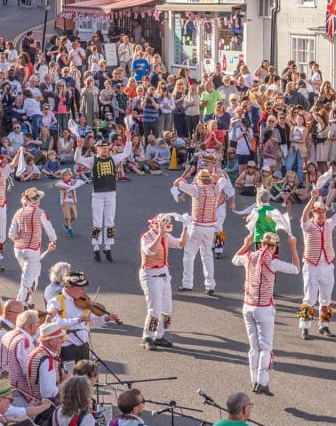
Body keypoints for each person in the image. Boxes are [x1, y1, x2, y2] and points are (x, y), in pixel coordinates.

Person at [230, 233, 300, 396]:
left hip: (247, 305)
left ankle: (254, 380)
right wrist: (293, 248)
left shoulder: (248, 256)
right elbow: (296, 269)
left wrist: (245, 244)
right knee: (265, 347)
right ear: (274, 247)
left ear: (261, 244)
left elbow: (234, 259)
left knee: (254, 347)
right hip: (264, 308)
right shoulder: (272, 261)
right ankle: (262, 382)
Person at [74, 137, 133, 262]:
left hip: (111, 193)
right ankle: (95, 247)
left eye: (107, 148)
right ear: (98, 149)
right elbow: (77, 159)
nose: (105, 150)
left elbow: (127, 153)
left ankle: (108, 246)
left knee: (110, 222)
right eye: (103, 148)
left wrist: (128, 140)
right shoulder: (92, 160)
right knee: (97, 223)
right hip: (98, 194)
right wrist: (78, 148)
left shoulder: (113, 158)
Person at [46, 270, 119, 365]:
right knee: (69, 378)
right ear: (70, 287)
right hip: (67, 349)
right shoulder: (56, 301)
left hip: (84, 347)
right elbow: (54, 323)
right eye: (80, 287)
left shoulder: (84, 300)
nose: (84, 289)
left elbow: (93, 322)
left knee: (84, 378)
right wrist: (77, 320)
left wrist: (106, 318)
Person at [176, 167, 230, 294]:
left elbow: (178, 183)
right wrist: (217, 175)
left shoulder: (196, 190)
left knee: (189, 254)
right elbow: (223, 179)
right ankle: (210, 285)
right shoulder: (216, 188)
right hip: (210, 227)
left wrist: (183, 177)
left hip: (197, 226)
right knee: (207, 256)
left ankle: (187, 283)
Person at [298, 194, 336, 340]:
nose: (321, 214)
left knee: (326, 298)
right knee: (310, 297)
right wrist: (312, 199)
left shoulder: (329, 224)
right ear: (313, 212)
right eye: (318, 211)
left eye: (323, 212)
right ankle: (305, 327)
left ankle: (324, 325)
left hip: (327, 266)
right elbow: (304, 216)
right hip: (312, 265)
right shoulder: (308, 225)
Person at [139, 213, 188, 350]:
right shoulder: (146, 237)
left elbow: (181, 244)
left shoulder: (166, 236)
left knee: (167, 310)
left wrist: (186, 227)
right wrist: (159, 235)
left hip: (164, 273)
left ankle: (160, 335)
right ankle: (146, 336)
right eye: (163, 224)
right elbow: (150, 251)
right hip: (150, 275)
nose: (165, 227)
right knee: (154, 310)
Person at [8, 187, 57, 304]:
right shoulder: (40, 213)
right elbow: (49, 229)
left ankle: (28, 301)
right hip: (32, 250)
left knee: (32, 274)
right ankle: (20, 306)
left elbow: (11, 234)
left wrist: (19, 242)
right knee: (27, 280)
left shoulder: (18, 213)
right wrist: (53, 240)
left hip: (18, 249)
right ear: (37, 201)